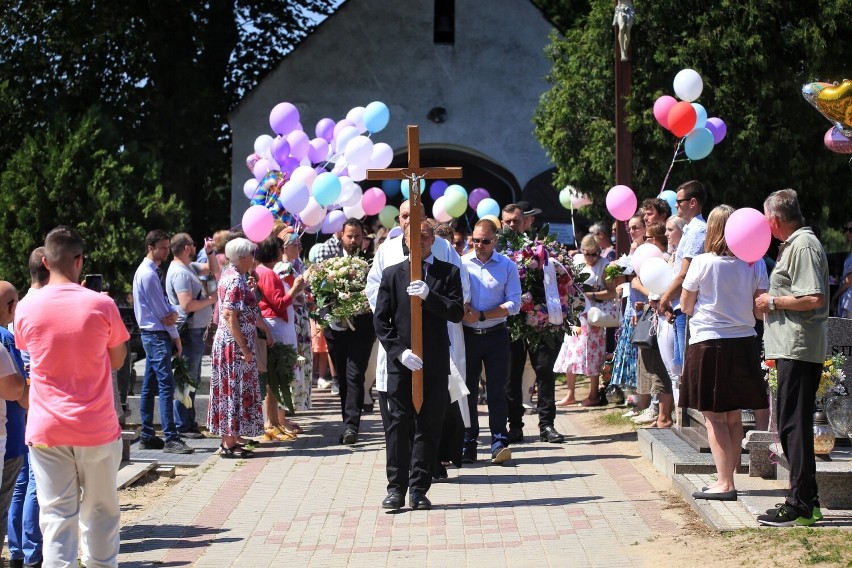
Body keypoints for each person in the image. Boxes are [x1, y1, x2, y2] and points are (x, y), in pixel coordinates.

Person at [14, 225, 127, 567]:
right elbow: (118, 359)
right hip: (95, 425)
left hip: (46, 426)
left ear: (45, 262)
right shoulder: (101, 304)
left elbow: (30, 351)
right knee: (101, 513)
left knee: (55, 518)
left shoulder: (25, 309)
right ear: (79, 261)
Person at [366, 200, 470, 477]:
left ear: (429, 223)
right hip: (399, 345)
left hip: (435, 342)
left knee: (433, 414)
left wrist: (429, 299)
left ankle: (429, 467)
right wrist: (399, 318)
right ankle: (399, 482)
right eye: (403, 216)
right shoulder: (386, 252)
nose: (409, 222)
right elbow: (375, 290)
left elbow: (460, 295)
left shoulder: (445, 252)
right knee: (399, 418)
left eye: (416, 217)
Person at [679, 205, 769, 501]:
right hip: (744, 342)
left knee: (714, 418)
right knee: (731, 417)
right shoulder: (755, 263)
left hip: (708, 343)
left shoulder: (702, 262)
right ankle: (729, 478)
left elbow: (687, 305)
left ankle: (725, 482)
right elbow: (760, 308)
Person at [755, 189, 829, 527]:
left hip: (798, 348)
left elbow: (813, 297)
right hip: (790, 347)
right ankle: (808, 500)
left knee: (793, 427)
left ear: (773, 220)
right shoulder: (796, 244)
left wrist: (772, 302)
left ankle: (798, 502)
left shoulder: (803, 245)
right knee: (790, 425)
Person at [503, 205, 566, 444]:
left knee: (544, 372)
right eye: (507, 221)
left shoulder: (540, 247)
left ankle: (547, 425)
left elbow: (555, 279)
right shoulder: (497, 248)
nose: (511, 225)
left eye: (516, 221)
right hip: (511, 323)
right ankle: (515, 426)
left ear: (524, 221)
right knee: (511, 376)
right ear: (502, 222)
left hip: (539, 321)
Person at [461, 219, 521, 465]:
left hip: (496, 334)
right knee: (467, 392)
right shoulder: (462, 263)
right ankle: (468, 443)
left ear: (495, 240)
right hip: (466, 335)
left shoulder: (507, 266)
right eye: (475, 240)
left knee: (497, 391)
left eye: (485, 241)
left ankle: (499, 443)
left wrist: (484, 315)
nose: (480, 245)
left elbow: (514, 304)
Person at [209, 238, 273, 457]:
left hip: (230, 345)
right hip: (233, 348)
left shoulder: (231, 275)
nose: (254, 260)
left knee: (233, 391)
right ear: (243, 258)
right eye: (251, 256)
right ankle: (228, 444)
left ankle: (233, 437)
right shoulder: (235, 280)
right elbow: (229, 316)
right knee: (232, 392)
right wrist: (244, 348)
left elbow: (240, 309)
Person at [133, 230, 193, 454]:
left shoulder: (150, 272)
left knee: (149, 385)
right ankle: (170, 437)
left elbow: (167, 310)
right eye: (163, 247)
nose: (167, 251)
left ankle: (148, 434)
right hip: (156, 334)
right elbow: (164, 313)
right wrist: (175, 334)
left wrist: (172, 314)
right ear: (151, 247)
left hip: (154, 334)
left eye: (168, 247)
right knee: (166, 385)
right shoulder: (148, 275)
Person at [316, 219, 375, 445]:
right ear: (341, 235)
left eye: (357, 236)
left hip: (362, 327)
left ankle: (352, 426)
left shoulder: (370, 261)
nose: (353, 240)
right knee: (342, 376)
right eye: (349, 236)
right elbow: (319, 291)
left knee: (355, 375)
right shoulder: (330, 261)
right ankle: (347, 421)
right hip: (336, 328)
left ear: (363, 237)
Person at [8, 250, 47, 568]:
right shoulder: (40, 309)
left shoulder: (22, 313)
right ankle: (33, 553)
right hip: (33, 407)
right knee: (33, 482)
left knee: (22, 483)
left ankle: (20, 550)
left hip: (23, 408)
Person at [165, 232, 219, 439]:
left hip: (195, 331)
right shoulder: (180, 273)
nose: (195, 247)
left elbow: (214, 270)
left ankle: (188, 422)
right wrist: (211, 300)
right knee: (185, 379)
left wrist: (210, 252)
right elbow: (187, 305)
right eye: (193, 244)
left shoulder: (189, 268)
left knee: (191, 378)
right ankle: (183, 425)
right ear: (186, 248)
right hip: (188, 332)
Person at [555, 234, 617, 406]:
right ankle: (570, 394)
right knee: (571, 351)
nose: (591, 258)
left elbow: (612, 292)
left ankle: (593, 394)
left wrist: (592, 295)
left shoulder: (604, 265)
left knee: (592, 354)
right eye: (587, 254)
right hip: (576, 315)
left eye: (594, 254)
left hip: (593, 318)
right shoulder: (576, 261)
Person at [255, 234, 303, 440]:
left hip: (277, 324)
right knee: (273, 377)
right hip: (275, 325)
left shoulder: (264, 272)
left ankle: (274, 422)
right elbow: (279, 303)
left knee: (276, 376)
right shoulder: (266, 273)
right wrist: (295, 289)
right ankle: (271, 422)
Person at [659, 181, 707, 371]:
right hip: (680, 305)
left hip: (687, 306)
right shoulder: (690, 229)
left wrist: (664, 300)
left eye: (679, 201)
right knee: (681, 367)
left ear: (692, 202)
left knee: (688, 367)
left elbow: (685, 273)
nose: (676, 205)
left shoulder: (697, 230)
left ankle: (690, 402)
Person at [275, 228, 312, 414]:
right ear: (285, 247)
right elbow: (291, 293)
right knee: (293, 359)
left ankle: (294, 405)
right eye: (295, 245)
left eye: (299, 244)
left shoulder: (297, 265)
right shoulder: (283, 268)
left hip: (300, 317)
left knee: (301, 360)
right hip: (292, 318)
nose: (299, 247)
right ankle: (286, 408)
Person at [831, 220, 852, 317]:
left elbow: (849, 280)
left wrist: (835, 297)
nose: (848, 232)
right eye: (846, 229)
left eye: (851, 230)